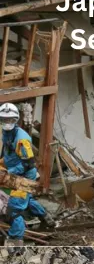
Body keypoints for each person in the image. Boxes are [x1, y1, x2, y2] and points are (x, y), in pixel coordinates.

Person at [0, 103, 54, 246]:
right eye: (4, 120)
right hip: (15, 172)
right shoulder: (6, 134)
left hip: (24, 176)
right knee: (26, 200)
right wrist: (2, 162)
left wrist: (7, 173)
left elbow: (28, 163)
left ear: (16, 119)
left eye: (10, 120)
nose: (7, 123)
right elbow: (10, 154)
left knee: (14, 210)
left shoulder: (22, 139)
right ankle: (46, 217)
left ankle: (15, 241)